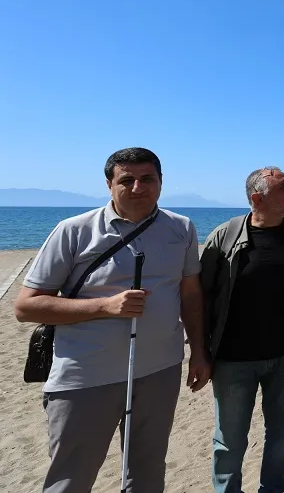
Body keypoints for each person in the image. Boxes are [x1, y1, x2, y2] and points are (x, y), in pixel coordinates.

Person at [13, 147, 211, 493]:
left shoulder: (181, 228)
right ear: (109, 184)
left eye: (148, 179)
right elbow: (26, 307)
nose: (138, 187)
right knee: (71, 477)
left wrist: (199, 351)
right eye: (127, 180)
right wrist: (104, 307)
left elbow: (191, 295)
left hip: (160, 371)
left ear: (161, 183)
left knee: (147, 472)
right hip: (85, 376)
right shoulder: (73, 231)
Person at [199, 167, 284, 493]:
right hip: (233, 359)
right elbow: (201, 297)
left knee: (283, 432)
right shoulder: (224, 237)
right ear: (258, 198)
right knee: (229, 439)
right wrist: (200, 351)